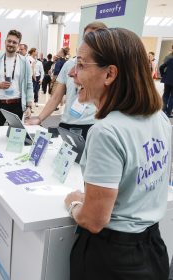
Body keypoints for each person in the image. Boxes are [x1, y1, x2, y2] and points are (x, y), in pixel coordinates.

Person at [64, 28, 171, 280]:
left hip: (112, 259)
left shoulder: (106, 131)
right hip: (153, 249)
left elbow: (93, 220)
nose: (71, 73)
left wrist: (74, 203)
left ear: (110, 74)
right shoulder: (160, 118)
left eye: (80, 64)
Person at [26, 22, 107, 140]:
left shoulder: (106, 69)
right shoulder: (69, 65)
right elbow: (55, 97)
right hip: (67, 123)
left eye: (94, 38)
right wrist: (40, 118)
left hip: (93, 125)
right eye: (87, 38)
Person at [0, 29, 33, 126]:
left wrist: (29, 106)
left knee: (15, 138)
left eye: (14, 42)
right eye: (9, 41)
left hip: (17, 105)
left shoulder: (24, 62)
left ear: (18, 45)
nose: (11, 44)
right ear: (5, 42)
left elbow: (29, 84)